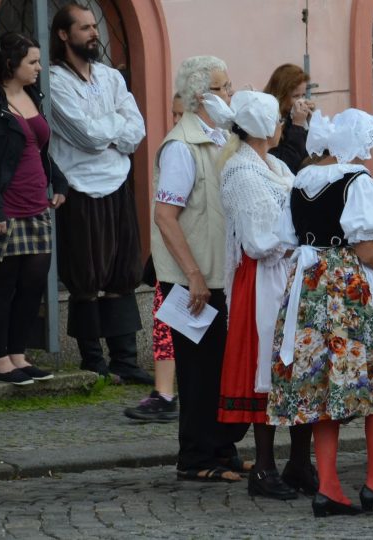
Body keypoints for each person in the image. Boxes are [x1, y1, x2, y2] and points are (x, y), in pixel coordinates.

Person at [268, 108, 373, 517]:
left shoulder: (300, 180)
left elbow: (285, 238)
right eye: (366, 142)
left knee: (322, 385)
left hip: (309, 285)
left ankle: (330, 485)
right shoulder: (356, 180)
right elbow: (367, 249)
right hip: (347, 289)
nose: (369, 151)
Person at [152, 55, 248, 482]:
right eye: (224, 87)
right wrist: (191, 274)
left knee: (220, 368)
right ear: (201, 96)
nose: (231, 93)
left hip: (217, 274)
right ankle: (195, 457)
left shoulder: (219, 137)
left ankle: (221, 449)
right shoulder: (181, 145)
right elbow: (165, 216)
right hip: (192, 279)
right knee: (197, 372)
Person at [203, 90, 302, 500]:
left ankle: (300, 463)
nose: (282, 127)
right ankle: (263, 467)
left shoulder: (274, 164)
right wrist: (300, 239)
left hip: (286, 273)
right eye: (278, 120)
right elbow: (260, 241)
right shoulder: (242, 171)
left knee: (295, 366)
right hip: (261, 278)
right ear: (263, 128)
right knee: (268, 368)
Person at [48, 3, 151, 384]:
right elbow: (85, 137)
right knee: (86, 275)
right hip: (78, 186)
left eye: (95, 26)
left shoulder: (110, 77)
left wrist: (106, 130)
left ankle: (125, 358)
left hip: (117, 181)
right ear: (64, 34)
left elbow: (135, 131)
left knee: (122, 271)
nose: (94, 33)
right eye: (85, 27)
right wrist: (113, 129)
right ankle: (93, 360)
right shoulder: (55, 82)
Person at [0, 32, 66, 385]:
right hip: (0, 212)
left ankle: (18, 355)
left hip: (35, 208)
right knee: (2, 287)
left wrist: (59, 185)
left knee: (33, 284)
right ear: (11, 65)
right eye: (32, 62)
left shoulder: (32, 95)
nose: (39, 68)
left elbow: (40, 150)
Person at [124, 95, 185, 422]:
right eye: (172, 113)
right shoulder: (176, 146)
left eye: (180, 113)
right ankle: (164, 392)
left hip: (194, 255)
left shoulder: (196, 148)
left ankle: (173, 393)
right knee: (165, 324)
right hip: (172, 254)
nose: (175, 119)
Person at [263, 64, 315, 173]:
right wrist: (298, 126)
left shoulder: (290, 115)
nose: (301, 101)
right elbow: (287, 164)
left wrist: (309, 123)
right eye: (296, 96)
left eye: (303, 95)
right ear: (281, 94)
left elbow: (309, 153)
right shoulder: (269, 120)